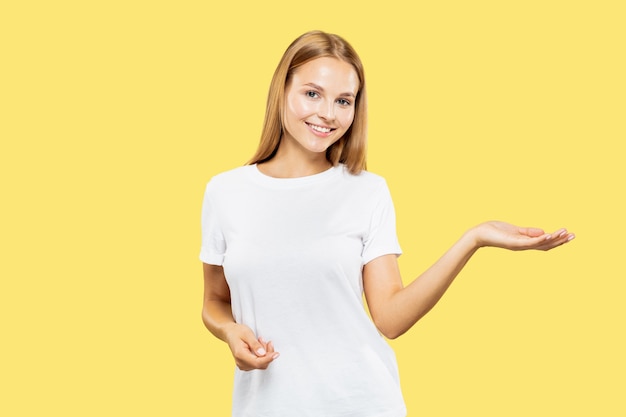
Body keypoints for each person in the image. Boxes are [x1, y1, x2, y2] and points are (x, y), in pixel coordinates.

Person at [200, 30, 574, 417]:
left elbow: (391, 319)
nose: (328, 113)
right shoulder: (225, 192)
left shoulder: (367, 192)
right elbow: (214, 301)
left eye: (343, 100)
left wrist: (472, 239)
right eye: (312, 93)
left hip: (361, 403)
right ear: (282, 90)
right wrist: (229, 331)